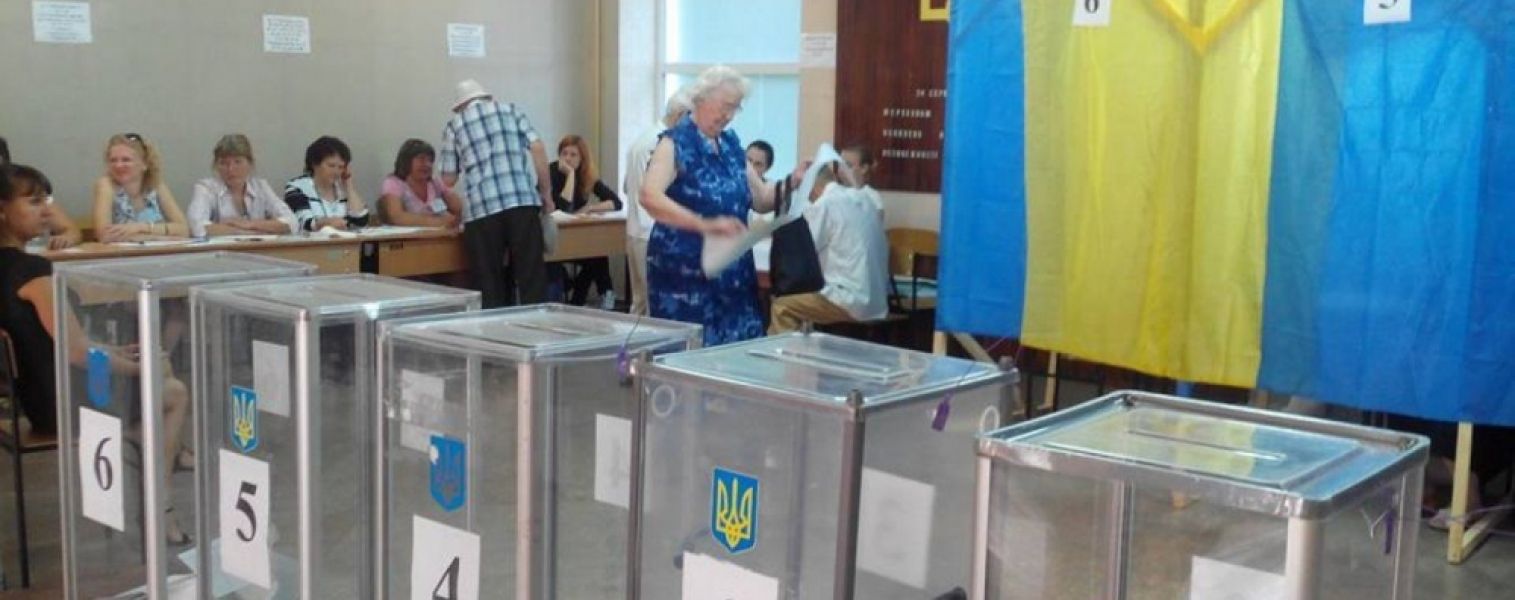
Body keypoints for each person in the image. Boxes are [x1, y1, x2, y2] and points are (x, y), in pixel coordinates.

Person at [0, 164, 192, 543]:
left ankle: (144, 439)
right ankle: (161, 507)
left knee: (155, 363)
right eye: (34, 202)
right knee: (173, 390)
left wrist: (116, 351)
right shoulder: (30, 269)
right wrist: (141, 370)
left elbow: (53, 341)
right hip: (63, 403)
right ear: (2, 209)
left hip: (37, 397)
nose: (46, 211)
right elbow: (76, 352)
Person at [640, 66, 788, 346]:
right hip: (686, 271)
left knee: (738, 349)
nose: (729, 115)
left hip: (733, 271)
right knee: (691, 350)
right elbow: (649, 196)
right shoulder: (674, 143)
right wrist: (703, 224)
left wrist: (794, 182)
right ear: (701, 99)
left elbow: (761, 199)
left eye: (735, 108)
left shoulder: (731, 145)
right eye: (725, 106)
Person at [440, 79, 555, 308]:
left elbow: (448, 179)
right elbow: (538, 148)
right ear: (487, 97)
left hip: (481, 210)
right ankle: (538, 325)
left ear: (460, 106)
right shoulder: (511, 110)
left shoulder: (454, 126)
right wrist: (546, 194)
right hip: (522, 202)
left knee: (488, 281)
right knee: (531, 276)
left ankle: (494, 328)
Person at [768, 160, 890, 333]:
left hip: (849, 300)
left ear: (810, 187)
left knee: (782, 306)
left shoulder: (825, 204)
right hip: (878, 301)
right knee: (803, 298)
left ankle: (785, 351)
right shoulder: (865, 200)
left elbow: (802, 255)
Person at [623, 90, 693, 316]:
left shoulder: (641, 140)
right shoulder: (662, 144)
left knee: (640, 303)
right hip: (652, 232)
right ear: (681, 115)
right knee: (655, 305)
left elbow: (627, 186)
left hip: (635, 229)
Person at [551, 135, 622, 308]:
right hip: (554, 238)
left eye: (573, 154)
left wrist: (590, 208)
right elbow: (563, 207)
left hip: (575, 235)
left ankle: (604, 296)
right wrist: (570, 176)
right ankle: (581, 300)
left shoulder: (588, 174)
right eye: (564, 153)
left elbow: (616, 202)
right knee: (594, 256)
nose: (567, 158)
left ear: (582, 158)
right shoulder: (552, 171)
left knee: (597, 254)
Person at [187, 134, 296, 237]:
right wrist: (242, 231)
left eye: (237, 162)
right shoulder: (206, 188)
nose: (231, 169)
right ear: (216, 166)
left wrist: (251, 224)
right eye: (223, 163)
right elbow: (195, 225)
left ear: (250, 164)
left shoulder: (261, 187)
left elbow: (292, 222)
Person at [92, 133, 190, 242]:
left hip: (158, 251)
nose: (118, 165)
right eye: (113, 160)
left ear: (144, 164)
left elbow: (183, 229)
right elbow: (104, 235)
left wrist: (141, 228)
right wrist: (158, 237)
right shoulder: (105, 186)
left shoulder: (156, 185)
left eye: (126, 160)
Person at [0, 145, 82, 249]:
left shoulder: (23, 190)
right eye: (35, 202)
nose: (46, 212)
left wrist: (65, 239)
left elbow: (71, 231)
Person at [284, 136, 370, 233]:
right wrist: (325, 223)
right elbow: (304, 223)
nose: (336, 172)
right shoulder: (297, 187)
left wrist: (349, 186)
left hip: (346, 241)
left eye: (341, 167)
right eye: (331, 166)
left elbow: (361, 222)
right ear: (314, 164)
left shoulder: (342, 190)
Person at [379, 139, 463, 228]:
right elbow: (397, 217)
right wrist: (436, 222)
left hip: (440, 234)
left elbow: (458, 208)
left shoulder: (435, 183)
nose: (427, 164)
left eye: (430, 160)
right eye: (421, 159)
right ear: (406, 161)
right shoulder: (393, 183)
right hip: (409, 236)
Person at [840, 144, 885, 216]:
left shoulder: (872, 197)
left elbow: (876, 221)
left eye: (848, 165)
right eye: (841, 165)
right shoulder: (836, 192)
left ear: (864, 168)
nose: (842, 170)